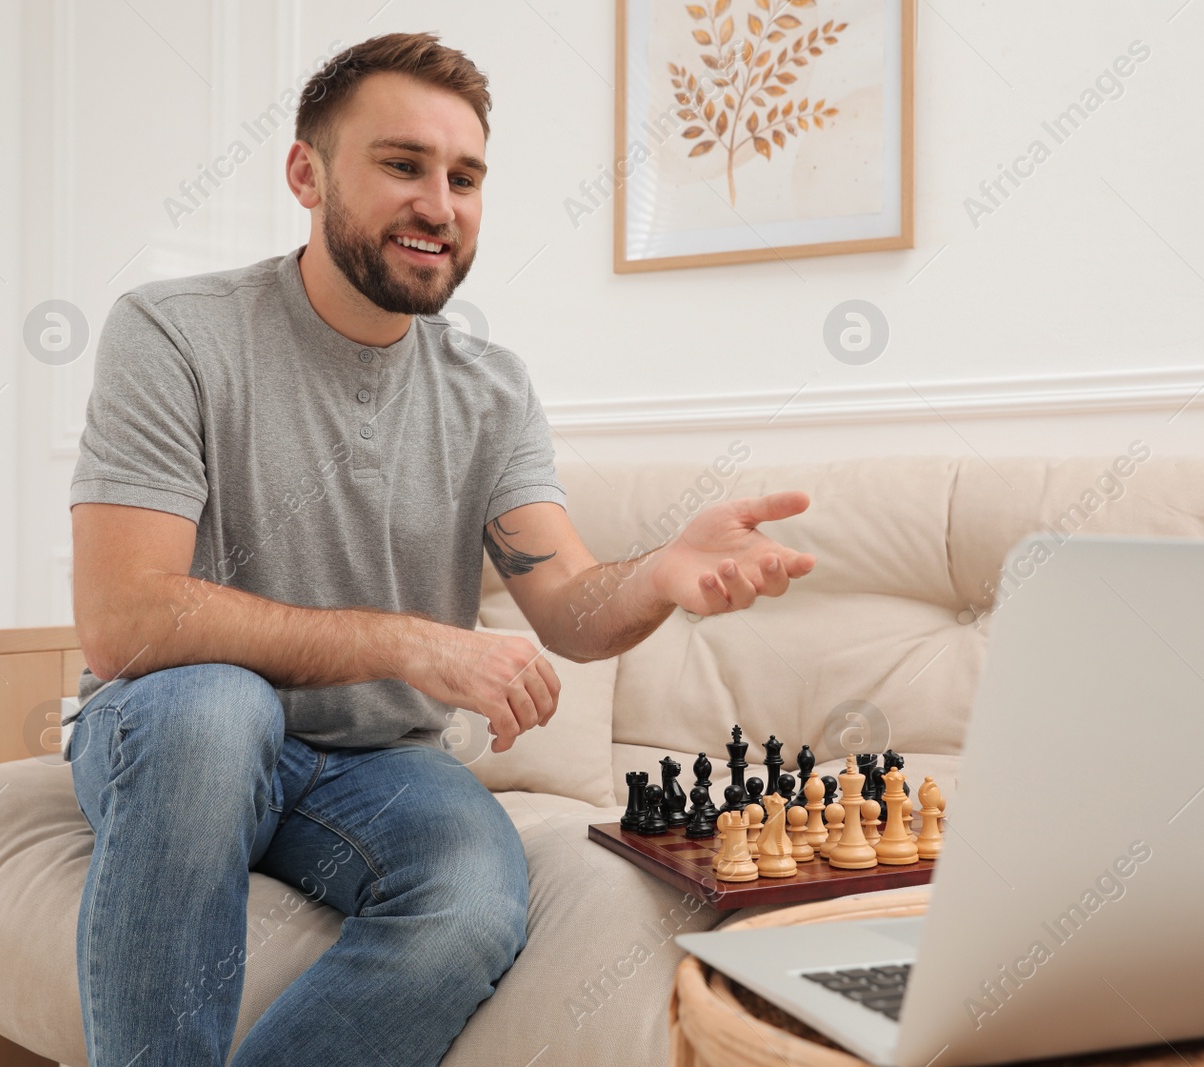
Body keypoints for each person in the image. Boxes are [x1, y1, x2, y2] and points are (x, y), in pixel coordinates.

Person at [64, 31, 816, 1066]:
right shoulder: (173, 333)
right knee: (215, 705)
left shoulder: (488, 389)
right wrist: (410, 644)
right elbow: (127, 620)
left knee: (469, 901)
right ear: (305, 171)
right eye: (403, 164)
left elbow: (570, 606)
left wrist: (657, 574)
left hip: (376, 763)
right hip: (174, 730)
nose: (440, 204)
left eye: (465, 177)